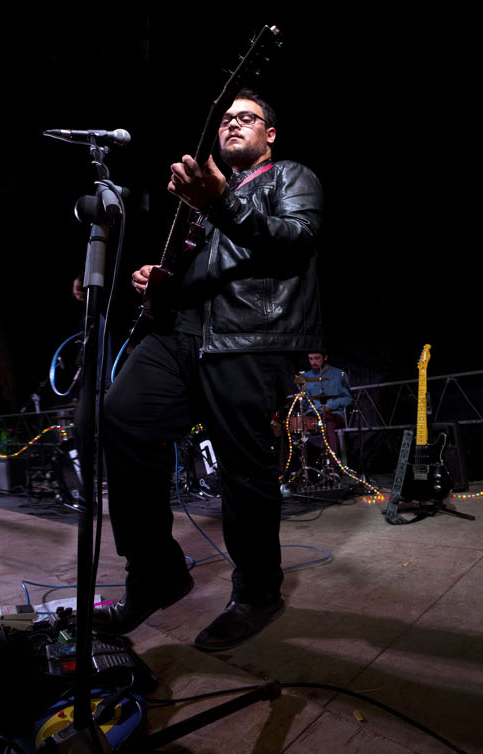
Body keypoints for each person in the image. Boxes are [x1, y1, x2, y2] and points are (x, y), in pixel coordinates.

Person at [98, 89, 325, 651]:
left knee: (243, 470)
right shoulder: (203, 202)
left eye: (245, 118)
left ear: (269, 134)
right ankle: (155, 572)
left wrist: (221, 202)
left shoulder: (291, 177)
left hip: (248, 338)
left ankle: (257, 592)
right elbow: (206, 265)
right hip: (179, 334)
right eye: (224, 120)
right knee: (122, 416)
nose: (231, 126)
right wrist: (159, 276)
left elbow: (295, 242)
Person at [303, 352, 351, 454]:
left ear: (325, 357)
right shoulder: (305, 377)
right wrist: (302, 395)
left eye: (316, 358)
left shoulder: (339, 374)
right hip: (313, 414)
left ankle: (331, 465)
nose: (313, 362)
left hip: (333, 414)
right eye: (310, 359)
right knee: (291, 425)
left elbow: (348, 398)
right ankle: (288, 468)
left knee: (326, 421)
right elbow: (305, 403)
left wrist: (330, 406)